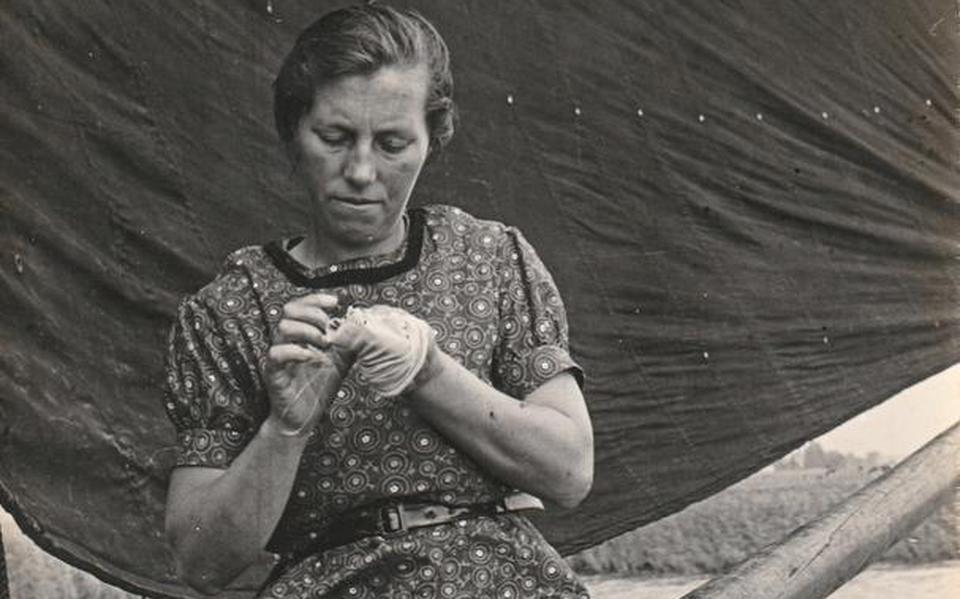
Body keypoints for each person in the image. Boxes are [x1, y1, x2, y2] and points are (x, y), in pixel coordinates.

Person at [161, 4, 594, 597]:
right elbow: (199, 562)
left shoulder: (489, 258)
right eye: (335, 138)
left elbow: (569, 473)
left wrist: (428, 372)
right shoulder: (232, 308)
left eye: (392, 143)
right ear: (293, 134)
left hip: (501, 579)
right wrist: (286, 427)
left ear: (431, 141)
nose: (362, 171)